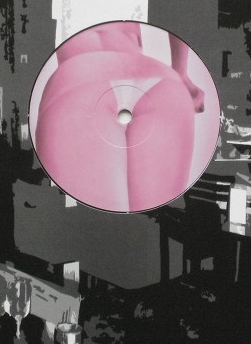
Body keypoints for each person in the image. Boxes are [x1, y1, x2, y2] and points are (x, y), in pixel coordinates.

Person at [33, 21, 208, 212]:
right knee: (158, 219)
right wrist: (181, 73)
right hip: (157, 77)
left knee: (90, 224)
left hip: (84, 70)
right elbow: (176, 14)